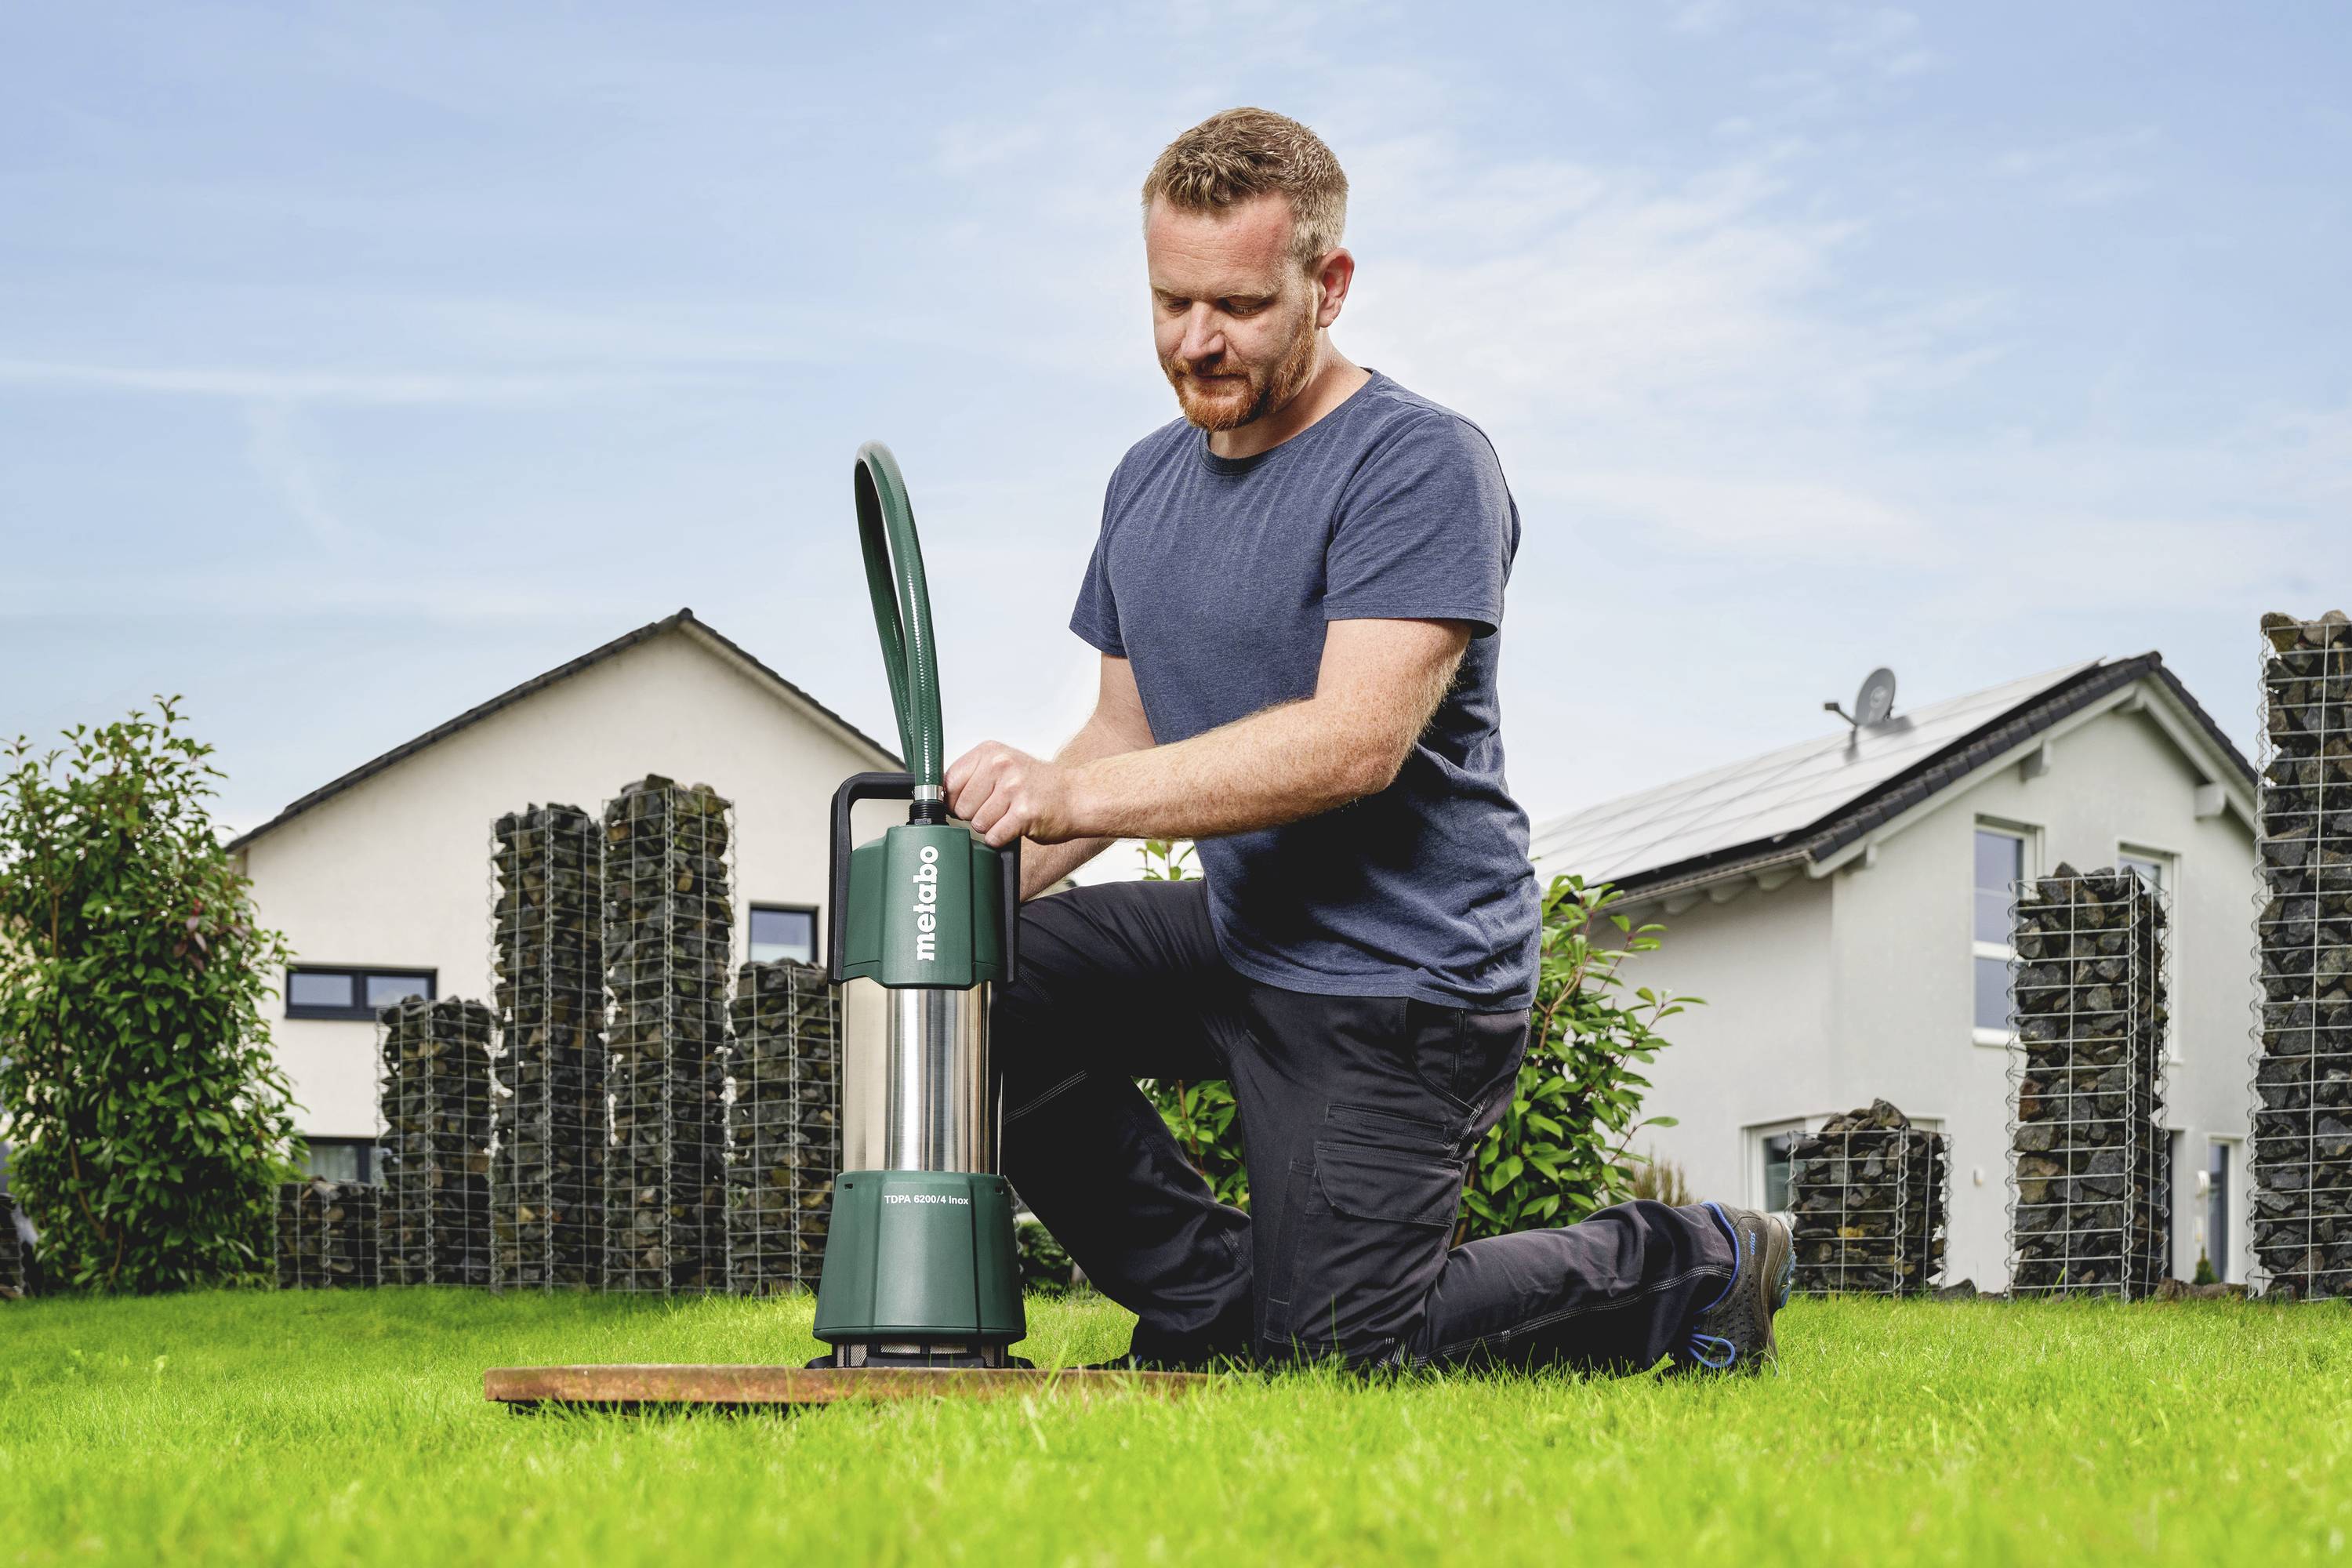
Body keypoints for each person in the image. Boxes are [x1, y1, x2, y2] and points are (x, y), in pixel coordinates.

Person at [944, 107, 1790, 1374]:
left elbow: (1351, 746)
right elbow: (1124, 731)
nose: (1195, 340)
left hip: (1404, 977)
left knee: (1347, 1354)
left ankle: (1700, 1259)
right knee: (981, 984)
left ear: (1327, 287)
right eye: (1170, 302)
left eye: (1236, 304)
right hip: (1247, 936)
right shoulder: (1143, 481)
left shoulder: (1419, 464)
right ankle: (1216, 1300)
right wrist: (952, 898)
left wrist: (1065, 793)